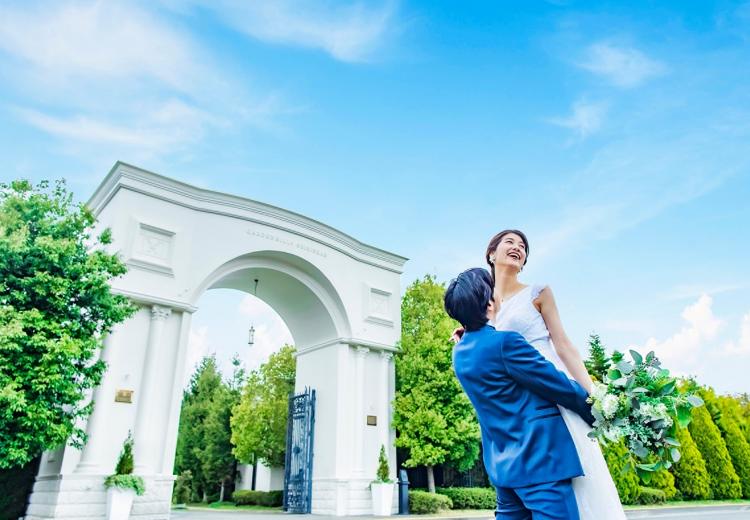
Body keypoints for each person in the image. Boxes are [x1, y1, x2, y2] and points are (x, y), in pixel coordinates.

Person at [485, 229, 625, 518]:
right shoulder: (482, 303)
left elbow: (563, 345)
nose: (517, 247)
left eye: (522, 246)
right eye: (509, 242)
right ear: (491, 254)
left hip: (552, 387)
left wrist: (595, 394)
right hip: (515, 399)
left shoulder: (537, 292)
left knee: (572, 472)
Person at [445, 267, 595, 520]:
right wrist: (596, 412)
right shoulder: (505, 343)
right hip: (540, 462)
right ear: (490, 304)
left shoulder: (459, 353)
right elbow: (558, 385)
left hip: (503, 467)